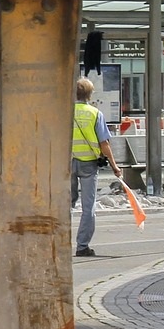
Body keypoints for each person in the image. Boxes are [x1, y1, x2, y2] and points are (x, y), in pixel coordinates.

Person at [71, 77, 118, 257]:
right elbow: (104, 144)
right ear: (90, 95)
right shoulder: (95, 114)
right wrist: (114, 166)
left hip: (68, 163)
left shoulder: (65, 112)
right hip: (89, 164)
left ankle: (58, 242)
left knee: (66, 205)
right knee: (88, 207)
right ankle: (82, 246)